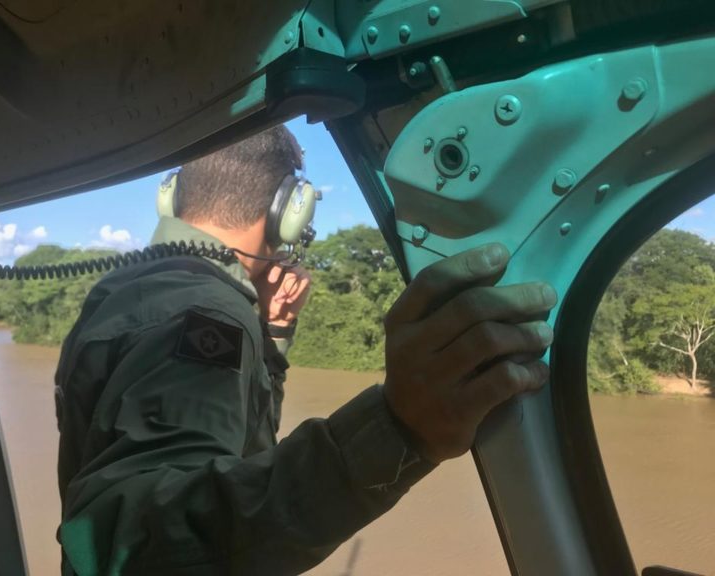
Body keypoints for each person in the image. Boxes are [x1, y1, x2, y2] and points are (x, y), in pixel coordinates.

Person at [55, 125, 557, 575]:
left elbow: (231, 455)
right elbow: (140, 548)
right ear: (290, 211)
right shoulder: (206, 314)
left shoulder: (125, 290)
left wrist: (272, 338)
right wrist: (396, 428)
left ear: (170, 199)